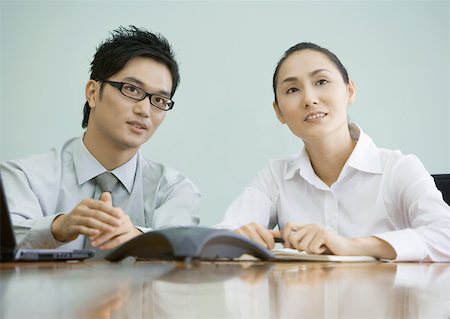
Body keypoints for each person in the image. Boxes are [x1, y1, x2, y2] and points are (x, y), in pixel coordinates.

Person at [216, 42, 450, 262]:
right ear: (279, 112)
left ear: (349, 91)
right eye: (293, 89)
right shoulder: (276, 176)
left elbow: (445, 235)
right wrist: (237, 239)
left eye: (321, 82)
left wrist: (350, 246)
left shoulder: (399, 168)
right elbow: (216, 240)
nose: (309, 99)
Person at [0, 26, 200, 251]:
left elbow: (181, 247)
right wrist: (57, 227)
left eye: (159, 100)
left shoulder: (174, 190)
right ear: (93, 93)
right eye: (132, 90)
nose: (145, 110)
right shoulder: (24, 178)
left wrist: (135, 238)